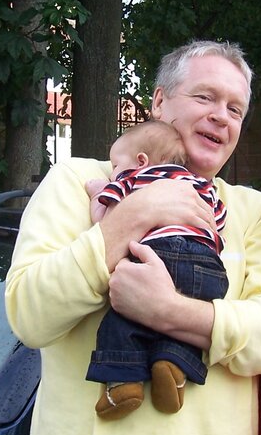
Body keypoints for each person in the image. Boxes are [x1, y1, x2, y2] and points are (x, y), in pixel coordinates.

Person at [5, 40, 261, 435]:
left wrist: (168, 311)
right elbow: (29, 316)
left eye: (235, 110)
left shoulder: (254, 212)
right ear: (159, 102)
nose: (221, 117)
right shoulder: (78, 181)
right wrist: (131, 217)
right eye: (205, 97)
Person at [84, 119, 229, 419]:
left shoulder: (135, 178)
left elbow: (104, 220)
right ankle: (174, 368)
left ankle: (123, 384)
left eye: (115, 165)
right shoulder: (204, 186)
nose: (113, 171)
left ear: (141, 161)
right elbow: (218, 223)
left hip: (159, 253)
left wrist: (98, 191)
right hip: (209, 266)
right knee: (189, 316)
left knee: (124, 318)